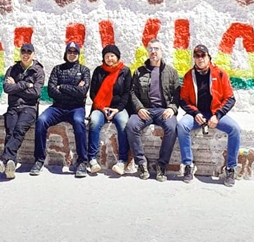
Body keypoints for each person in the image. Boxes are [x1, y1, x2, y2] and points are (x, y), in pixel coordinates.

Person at [176, 44, 242, 187]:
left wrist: (217, 115)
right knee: (181, 126)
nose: (200, 59)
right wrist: (195, 113)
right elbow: (182, 100)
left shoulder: (220, 74)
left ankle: (230, 168)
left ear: (208, 57)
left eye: (202, 55)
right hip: (197, 113)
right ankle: (188, 164)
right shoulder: (189, 76)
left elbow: (230, 98)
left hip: (215, 113)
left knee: (235, 129)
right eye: (197, 56)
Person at [30, 41, 91, 178]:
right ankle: (39, 159)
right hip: (58, 107)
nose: (72, 54)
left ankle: (82, 161)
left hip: (76, 108)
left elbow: (82, 93)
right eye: (70, 51)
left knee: (79, 123)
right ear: (66, 53)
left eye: (75, 52)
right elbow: (51, 92)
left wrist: (62, 87)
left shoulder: (84, 70)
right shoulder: (57, 69)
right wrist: (73, 90)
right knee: (41, 121)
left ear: (78, 54)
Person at [125, 39, 182, 182]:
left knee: (172, 127)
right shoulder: (139, 71)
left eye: (156, 49)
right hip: (146, 110)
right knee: (131, 126)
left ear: (161, 52)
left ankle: (161, 165)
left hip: (164, 110)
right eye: (150, 49)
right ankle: (141, 163)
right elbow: (132, 92)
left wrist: (171, 108)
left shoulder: (171, 72)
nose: (153, 51)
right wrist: (139, 108)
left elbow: (177, 94)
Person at [0, 42, 45, 179]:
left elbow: (35, 93)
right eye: (23, 52)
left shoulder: (38, 71)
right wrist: (24, 85)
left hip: (29, 108)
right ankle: (11, 162)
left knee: (18, 130)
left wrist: (16, 87)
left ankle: (4, 159)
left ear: (33, 54)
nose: (26, 55)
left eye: (29, 52)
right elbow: (7, 89)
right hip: (13, 107)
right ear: (20, 53)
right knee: (10, 132)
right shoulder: (12, 69)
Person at [87, 44, 132, 175]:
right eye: (107, 56)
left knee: (124, 123)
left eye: (112, 56)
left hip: (118, 108)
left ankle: (122, 160)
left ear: (117, 57)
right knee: (94, 121)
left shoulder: (125, 71)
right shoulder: (98, 71)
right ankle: (92, 159)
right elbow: (93, 93)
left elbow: (127, 94)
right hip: (101, 107)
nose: (109, 58)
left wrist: (117, 109)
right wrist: (102, 107)